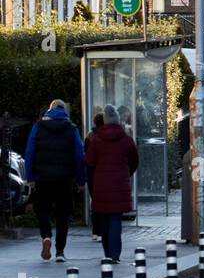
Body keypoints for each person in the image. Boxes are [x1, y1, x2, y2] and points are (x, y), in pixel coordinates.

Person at [24, 99, 86, 263]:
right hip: (64, 179)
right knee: (62, 215)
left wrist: (30, 177)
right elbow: (79, 156)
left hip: (43, 178)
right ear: (64, 111)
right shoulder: (71, 129)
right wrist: (81, 180)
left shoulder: (38, 126)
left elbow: (29, 152)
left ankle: (46, 237)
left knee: (42, 210)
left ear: (49, 110)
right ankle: (60, 251)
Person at [84, 105, 138, 264]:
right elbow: (134, 160)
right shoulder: (126, 139)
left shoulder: (96, 139)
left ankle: (107, 253)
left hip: (101, 184)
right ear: (117, 120)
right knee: (115, 219)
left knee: (104, 219)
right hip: (120, 183)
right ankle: (115, 254)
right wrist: (126, 174)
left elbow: (89, 161)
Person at [86, 111, 105, 243]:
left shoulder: (90, 137)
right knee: (105, 203)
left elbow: (86, 158)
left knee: (95, 202)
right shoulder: (106, 137)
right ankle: (102, 229)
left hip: (92, 175)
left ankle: (95, 231)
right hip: (104, 174)